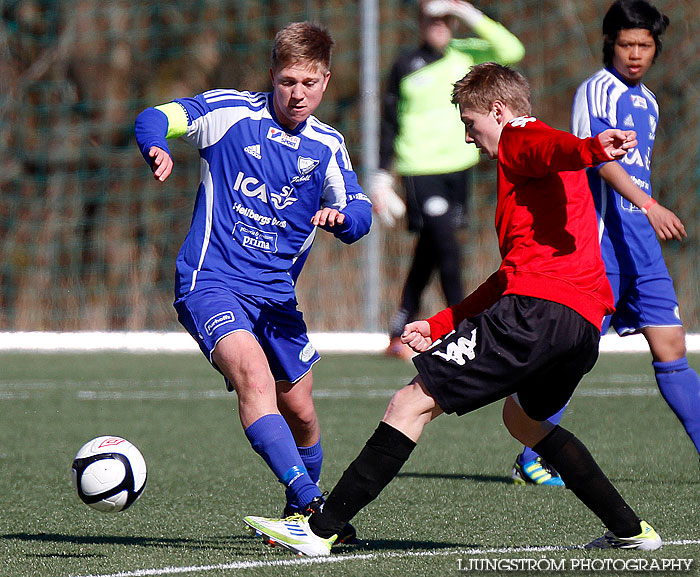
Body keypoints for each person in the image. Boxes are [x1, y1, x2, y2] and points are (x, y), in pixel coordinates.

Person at [242, 62, 662, 556]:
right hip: (582, 327)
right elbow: (509, 275)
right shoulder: (538, 177)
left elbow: (551, 148)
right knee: (525, 424)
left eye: (470, 122)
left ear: (499, 112)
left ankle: (317, 530)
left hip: (536, 314)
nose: (469, 137)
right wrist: (443, 321)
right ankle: (633, 532)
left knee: (409, 403)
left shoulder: (521, 138)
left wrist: (591, 149)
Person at [134, 21, 371, 544]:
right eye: (288, 80)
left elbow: (359, 210)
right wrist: (157, 145)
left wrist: (343, 220)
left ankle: (294, 512)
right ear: (272, 75)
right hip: (210, 281)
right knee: (254, 380)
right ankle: (316, 505)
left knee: (303, 413)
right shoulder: (229, 113)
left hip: (277, 298)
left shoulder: (328, 146)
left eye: (309, 83)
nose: (297, 93)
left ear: (326, 82)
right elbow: (156, 116)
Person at [512, 0, 700, 486]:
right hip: (600, 246)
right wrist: (650, 204)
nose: (635, 54)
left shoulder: (650, 101)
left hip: (641, 246)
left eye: (644, 45)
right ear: (609, 44)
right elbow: (598, 160)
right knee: (576, 350)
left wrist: (646, 213)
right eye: (626, 44)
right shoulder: (598, 91)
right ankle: (533, 449)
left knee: (672, 346)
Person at [372, 0, 524, 360]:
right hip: (420, 171)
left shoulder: (467, 56)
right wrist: (381, 177)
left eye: (445, 19)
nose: (438, 26)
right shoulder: (405, 64)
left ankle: (400, 328)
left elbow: (512, 50)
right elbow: (389, 122)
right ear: (421, 22)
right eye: (431, 18)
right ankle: (463, 327)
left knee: (430, 249)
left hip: (459, 170)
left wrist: (468, 12)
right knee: (446, 247)